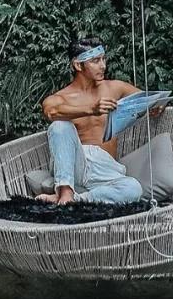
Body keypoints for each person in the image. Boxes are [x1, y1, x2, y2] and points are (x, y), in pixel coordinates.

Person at [37, 37, 164, 205]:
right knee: (60, 125)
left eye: (104, 59)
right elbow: (50, 112)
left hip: (105, 168)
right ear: (78, 65)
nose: (103, 65)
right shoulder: (62, 97)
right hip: (76, 164)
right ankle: (65, 192)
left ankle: (76, 200)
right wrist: (91, 109)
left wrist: (156, 105)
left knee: (133, 189)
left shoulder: (115, 87)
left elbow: (147, 99)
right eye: (95, 61)